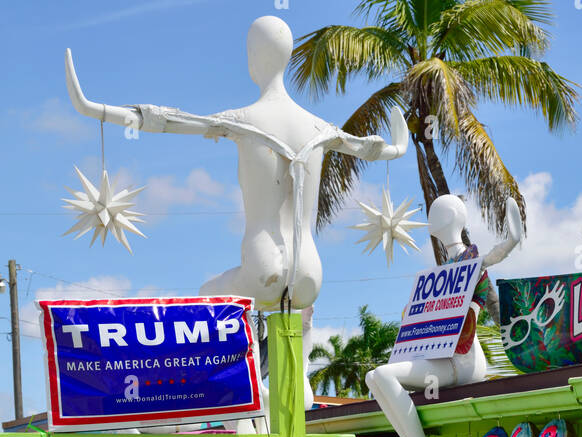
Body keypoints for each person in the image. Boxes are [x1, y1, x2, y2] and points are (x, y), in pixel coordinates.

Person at [65, 15, 409, 412]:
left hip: (263, 263)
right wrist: (396, 146)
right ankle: (295, 391)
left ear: (252, 59)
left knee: (206, 299)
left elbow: (174, 121)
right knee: (294, 341)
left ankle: (238, 393)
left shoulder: (244, 119)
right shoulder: (320, 127)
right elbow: (369, 147)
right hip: (311, 271)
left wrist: (107, 112)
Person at [365, 194, 523, 437]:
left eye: (440, 213)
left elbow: (492, 257)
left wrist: (513, 239)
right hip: (442, 356)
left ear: (454, 217)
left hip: (463, 360)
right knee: (373, 377)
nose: (433, 219)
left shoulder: (471, 262)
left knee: (383, 375)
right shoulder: (442, 271)